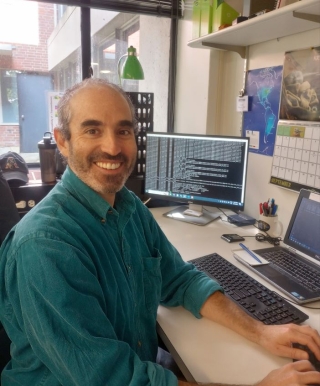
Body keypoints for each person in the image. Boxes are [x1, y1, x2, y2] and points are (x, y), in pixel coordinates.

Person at [0, 78, 319, 386]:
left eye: (123, 130)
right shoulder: (45, 246)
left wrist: (261, 331)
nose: (112, 147)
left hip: (140, 362)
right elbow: (113, 380)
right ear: (63, 141)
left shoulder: (129, 208)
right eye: (92, 130)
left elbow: (181, 279)